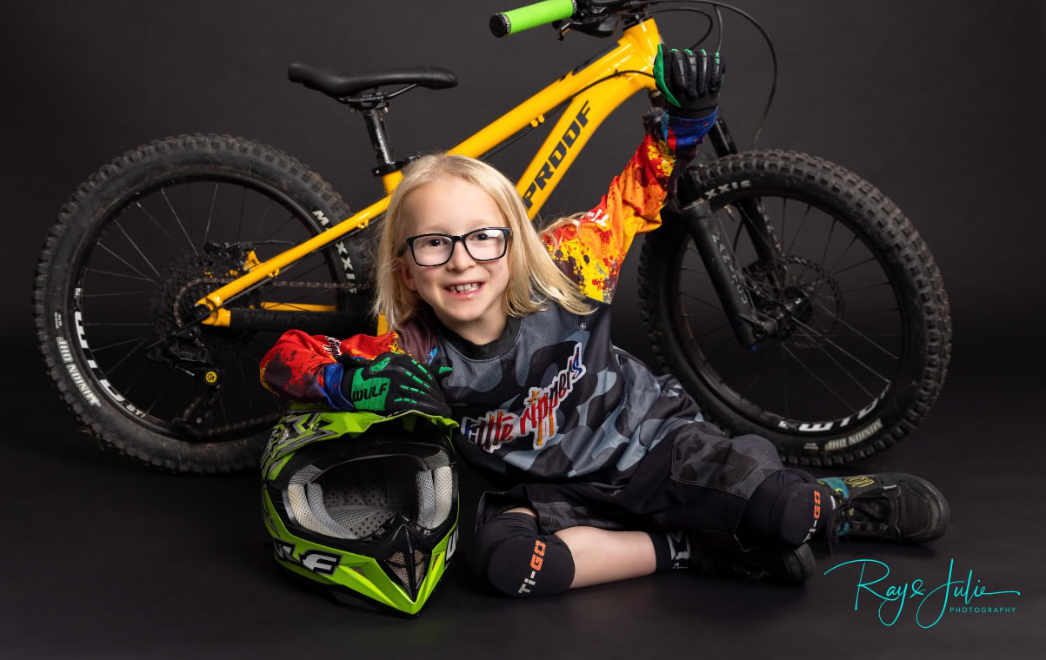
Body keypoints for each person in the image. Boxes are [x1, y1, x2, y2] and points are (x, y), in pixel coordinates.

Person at [259, 45, 949, 597]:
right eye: (434, 243)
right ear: (408, 268)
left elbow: (638, 194)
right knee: (506, 565)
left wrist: (687, 124)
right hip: (545, 491)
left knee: (788, 512)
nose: (462, 260)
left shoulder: (569, 266)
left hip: (652, 444)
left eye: (482, 237)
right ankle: (690, 548)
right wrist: (350, 384)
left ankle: (845, 502)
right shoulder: (407, 347)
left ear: (515, 242)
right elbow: (283, 356)